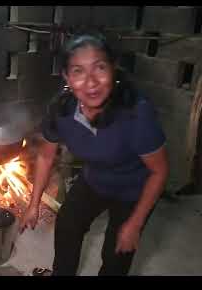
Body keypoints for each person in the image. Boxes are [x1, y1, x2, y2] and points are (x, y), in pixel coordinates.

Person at [20, 31, 169, 276]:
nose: (91, 82)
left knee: (116, 253)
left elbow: (159, 171)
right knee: (68, 224)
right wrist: (33, 205)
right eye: (78, 71)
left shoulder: (135, 113)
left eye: (100, 68)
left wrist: (135, 223)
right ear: (67, 76)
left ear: (113, 69)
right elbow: (46, 156)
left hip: (134, 190)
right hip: (95, 180)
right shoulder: (62, 111)